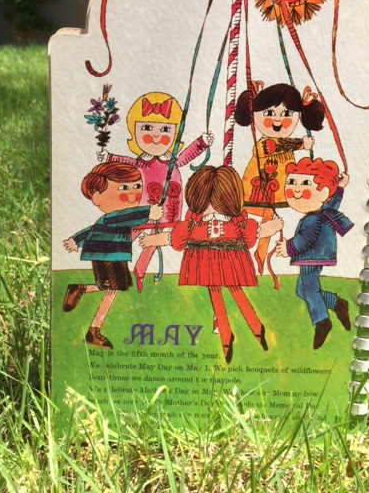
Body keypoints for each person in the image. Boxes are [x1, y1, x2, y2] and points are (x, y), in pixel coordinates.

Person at [140, 165, 283, 363]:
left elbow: (254, 234)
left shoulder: (236, 222)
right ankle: (226, 336)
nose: (212, 207)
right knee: (215, 293)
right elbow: (174, 238)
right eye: (207, 202)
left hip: (230, 260)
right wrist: (152, 240)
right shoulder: (194, 224)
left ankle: (256, 328)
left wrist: (273, 226)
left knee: (236, 291)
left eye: (217, 201)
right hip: (206, 262)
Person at [99, 91, 214, 291]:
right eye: (146, 128)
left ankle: (140, 271)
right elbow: (125, 161)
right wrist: (108, 157)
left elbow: (186, 156)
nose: (155, 135)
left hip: (168, 209)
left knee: (154, 240)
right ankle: (111, 263)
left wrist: (202, 143)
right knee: (129, 234)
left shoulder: (172, 162)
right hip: (142, 209)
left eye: (165, 129)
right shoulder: (140, 163)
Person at [62, 162, 163, 349]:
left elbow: (93, 229)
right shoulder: (114, 216)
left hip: (111, 255)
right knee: (113, 288)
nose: (133, 194)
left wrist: (76, 240)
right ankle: (93, 328)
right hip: (108, 255)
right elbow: (124, 217)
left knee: (112, 287)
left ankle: (83, 297)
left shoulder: (111, 219)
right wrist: (148, 212)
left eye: (137, 187)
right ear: (97, 197)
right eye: (124, 188)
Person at [235, 81, 325, 273]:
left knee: (270, 217)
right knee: (260, 217)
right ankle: (253, 254)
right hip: (258, 187)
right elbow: (269, 148)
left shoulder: (286, 145)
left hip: (278, 189)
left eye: (286, 114)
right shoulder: (265, 143)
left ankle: (260, 256)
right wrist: (300, 144)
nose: (277, 120)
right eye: (269, 113)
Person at [275, 157, 353, 350]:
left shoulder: (312, 220)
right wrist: (340, 188)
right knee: (302, 290)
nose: (296, 190)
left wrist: (288, 248)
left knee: (309, 289)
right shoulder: (323, 210)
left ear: (324, 192)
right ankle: (337, 303)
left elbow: (304, 240)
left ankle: (322, 321)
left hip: (312, 257)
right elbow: (332, 204)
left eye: (305, 184)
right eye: (292, 182)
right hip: (317, 256)